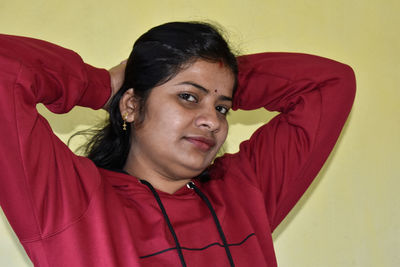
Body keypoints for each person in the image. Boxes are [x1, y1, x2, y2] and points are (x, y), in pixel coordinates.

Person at [0, 22, 355, 267]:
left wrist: (215, 74)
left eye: (222, 108)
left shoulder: (244, 194)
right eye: (187, 97)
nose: (213, 121)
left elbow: (329, 84)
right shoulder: (69, 201)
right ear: (132, 105)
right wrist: (99, 84)